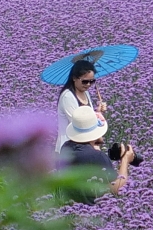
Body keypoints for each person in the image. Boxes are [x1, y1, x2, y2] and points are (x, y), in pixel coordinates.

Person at [56, 53, 134, 193]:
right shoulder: (68, 96)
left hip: (85, 142)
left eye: (92, 81)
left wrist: (98, 111)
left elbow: (87, 120)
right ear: (74, 78)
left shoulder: (84, 93)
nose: (88, 85)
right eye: (85, 81)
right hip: (72, 146)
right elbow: (78, 123)